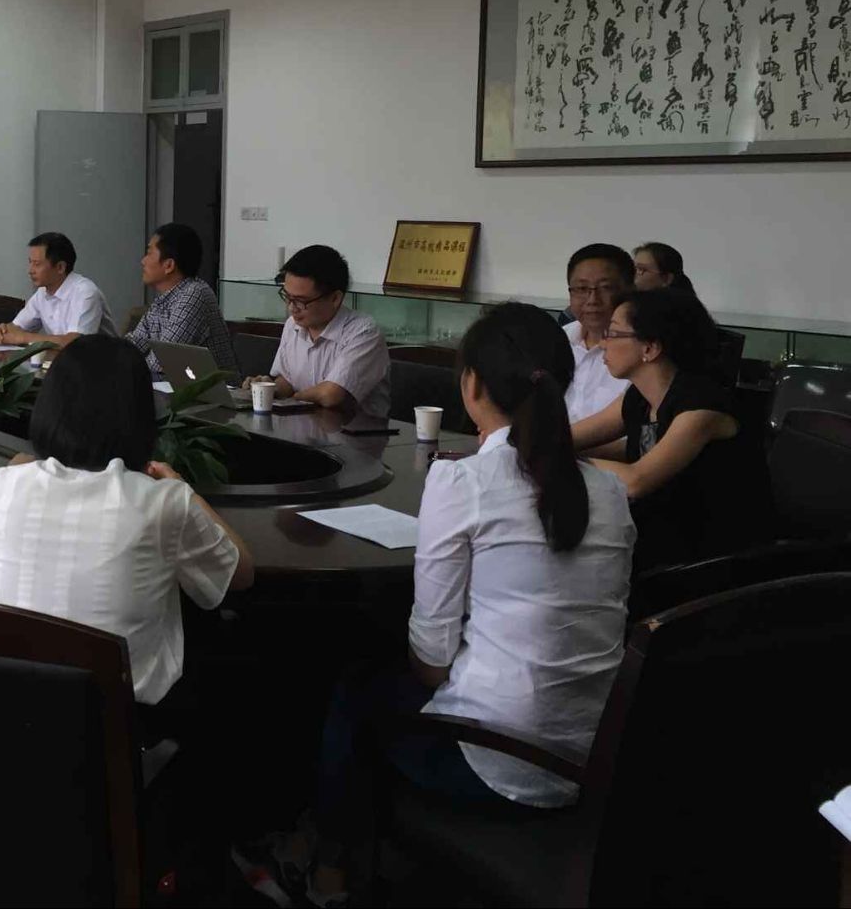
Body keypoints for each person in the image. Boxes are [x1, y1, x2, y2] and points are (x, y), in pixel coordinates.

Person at [236, 303, 634, 905]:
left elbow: (431, 662)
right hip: (594, 757)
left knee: (355, 688)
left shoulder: (464, 482)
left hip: (498, 764)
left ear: (471, 386)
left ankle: (328, 871)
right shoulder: (610, 490)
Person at [0, 334, 252, 718]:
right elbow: (240, 572)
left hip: (10, 711)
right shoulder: (163, 502)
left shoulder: (2, 486)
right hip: (119, 725)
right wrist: (183, 489)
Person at [572, 288, 767, 571]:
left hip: (710, 559)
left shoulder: (701, 408)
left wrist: (562, 459)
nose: (603, 343)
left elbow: (636, 481)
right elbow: (576, 437)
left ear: (650, 348)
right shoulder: (639, 396)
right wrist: (541, 441)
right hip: (662, 532)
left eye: (612, 333)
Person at [240, 245, 389, 418]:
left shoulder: (363, 332)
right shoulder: (293, 325)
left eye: (301, 301)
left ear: (335, 298)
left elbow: (331, 395)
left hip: (353, 431)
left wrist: (293, 398)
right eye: (287, 297)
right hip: (303, 426)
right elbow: (288, 380)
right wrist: (268, 389)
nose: (292, 308)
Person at [125, 222, 238, 380]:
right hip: (176, 388)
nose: (143, 261)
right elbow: (134, 345)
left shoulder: (194, 294)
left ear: (169, 265)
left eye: (149, 253)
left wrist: (124, 366)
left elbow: (161, 363)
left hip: (214, 393)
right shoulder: (162, 300)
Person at [0, 232, 117, 346]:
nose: (30, 271)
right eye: (30, 262)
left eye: (37, 264)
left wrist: (23, 338)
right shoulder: (42, 293)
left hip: (103, 362)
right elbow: (16, 328)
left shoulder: (85, 292)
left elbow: (75, 344)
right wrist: (3, 332)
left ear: (60, 267)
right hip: (63, 361)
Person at [561, 243, 634, 422]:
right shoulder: (556, 340)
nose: (593, 300)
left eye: (605, 287)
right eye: (581, 289)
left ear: (630, 291)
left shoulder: (641, 350)